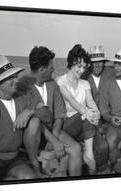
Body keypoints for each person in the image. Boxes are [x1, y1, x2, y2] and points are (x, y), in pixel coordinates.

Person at [17, 46, 82, 176]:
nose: (53, 68)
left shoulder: (52, 84)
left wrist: (56, 135)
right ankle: (34, 164)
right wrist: (53, 140)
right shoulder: (22, 86)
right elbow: (33, 118)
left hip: (51, 130)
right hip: (31, 134)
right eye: (51, 65)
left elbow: (59, 115)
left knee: (76, 149)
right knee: (34, 121)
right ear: (42, 69)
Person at [81, 45, 121, 172]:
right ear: (89, 64)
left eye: (100, 61)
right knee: (105, 143)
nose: (97, 65)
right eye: (94, 62)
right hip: (93, 118)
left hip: (109, 118)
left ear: (104, 62)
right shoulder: (84, 76)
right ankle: (106, 169)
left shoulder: (111, 70)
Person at [56, 44, 100, 175]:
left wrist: (96, 113)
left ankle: (89, 158)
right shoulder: (60, 81)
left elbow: (90, 100)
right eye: (78, 66)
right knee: (84, 116)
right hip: (66, 125)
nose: (81, 70)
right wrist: (86, 112)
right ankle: (89, 156)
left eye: (84, 67)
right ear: (71, 64)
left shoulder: (85, 84)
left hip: (83, 123)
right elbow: (70, 99)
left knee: (100, 142)